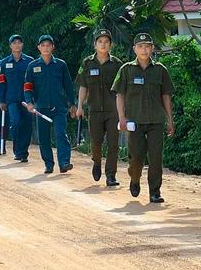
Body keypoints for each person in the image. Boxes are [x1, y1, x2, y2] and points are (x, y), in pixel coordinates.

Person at [111, 33, 175, 203]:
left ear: (152, 48)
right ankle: (134, 178)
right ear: (134, 49)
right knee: (137, 157)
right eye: (140, 46)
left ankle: (155, 191)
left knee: (156, 158)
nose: (144, 49)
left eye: (147, 46)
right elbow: (120, 95)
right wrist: (122, 117)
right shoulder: (126, 69)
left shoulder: (160, 70)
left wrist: (170, 120)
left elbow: (166, 96)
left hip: (156, 120)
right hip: (135, 122)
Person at [75, 29, 123, 186]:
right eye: (100, 41)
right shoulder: (87, 63)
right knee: (96, 142)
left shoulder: (117, 64)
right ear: (95, 44)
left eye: (106, 42)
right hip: (94, 109)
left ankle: (111, 175)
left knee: (113, 143)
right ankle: (96, 161)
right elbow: (83, 86)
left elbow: (122, 90)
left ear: (110, 45)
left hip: (112, 110)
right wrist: (79, 106)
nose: (103, 44)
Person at [24, 35, 77, 174]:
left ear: (53, 47)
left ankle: (64, 162)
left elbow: (68, 86)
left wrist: (73, 104)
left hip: (59, 107)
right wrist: (29, 102)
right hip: (41, 107)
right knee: (44, 138)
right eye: (43, 45)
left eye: (48, 45)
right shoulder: (33, 66)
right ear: (39, 48)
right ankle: (48, 163)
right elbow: (28, 86)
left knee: (61, 134)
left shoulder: (60, 65)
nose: (46, 48)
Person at [0, 35, 34, 162]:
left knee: (27, 125)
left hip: (27, 99)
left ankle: (23, 152)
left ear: (22, 45)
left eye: (19, 42)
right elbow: (2, 83)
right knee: (16, 122)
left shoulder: (30, 61)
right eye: (14, 43)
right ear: (10, 46)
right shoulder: (4, 63)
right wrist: (2, 100)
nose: (17, 45)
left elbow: (34, 82)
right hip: (11, 99)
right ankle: (17, 150)